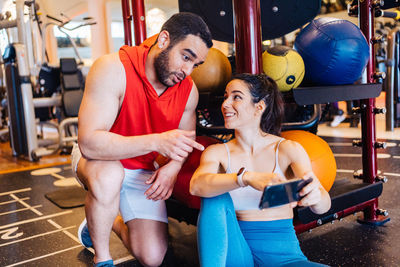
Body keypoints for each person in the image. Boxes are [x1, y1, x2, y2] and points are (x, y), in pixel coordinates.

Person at [71, 12, 213, 267]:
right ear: (164, 39)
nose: (187, 71)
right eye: (186, 57)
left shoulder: (188, 90)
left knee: (152, 257)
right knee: (109, 176)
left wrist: (173, 167)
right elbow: (89, 143)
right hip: (96, 159)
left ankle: (105, 220)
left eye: (195, 65)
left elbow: (184, 143)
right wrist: (157, 142)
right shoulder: (112, 68)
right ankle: (102, 258)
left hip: (142, 167)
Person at [190, 73, 331, 267]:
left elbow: (324, 205)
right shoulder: (217, 153)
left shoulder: (287, 149)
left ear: (259, 106)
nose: (225, 104)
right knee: (215, 195)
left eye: (236, 97)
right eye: (225, 97)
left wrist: (315, 197)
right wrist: (245, 178)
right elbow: (196, 186)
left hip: (284, 258)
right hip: (237, 254)